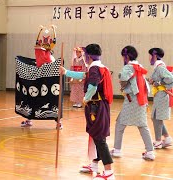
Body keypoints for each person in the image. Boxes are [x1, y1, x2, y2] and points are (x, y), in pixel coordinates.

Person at [60, 44, 115, 179]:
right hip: (97, 106)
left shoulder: (95, 68)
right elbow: (83, 75)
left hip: (96, 106)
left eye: (85, 54)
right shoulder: (97, 67)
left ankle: (109, 172)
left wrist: (86, 98)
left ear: (88, 56)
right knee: (95, 136)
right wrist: (66, 72)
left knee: (99, 138)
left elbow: (93, 86)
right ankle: (94, 165)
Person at [110, 46, 155, 160]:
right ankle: (150, 151)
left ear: (126, 56)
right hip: (141, 99)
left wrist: (122, 85)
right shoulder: (139, 66)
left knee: (120, 124)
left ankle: (117, 150)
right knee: (142, 125)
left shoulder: (128, 68)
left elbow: (123, 78)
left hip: (132, 100)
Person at [148, 48, 173, 149]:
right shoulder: (158, 67)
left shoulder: (160, 67)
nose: (149, 58)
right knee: (155, 117)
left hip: (161, 94)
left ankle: (158, 141)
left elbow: (170, 78)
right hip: (159, 94)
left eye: (150, 55)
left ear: (154, 56)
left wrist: (158, 83)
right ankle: (167, 138)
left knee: (156, 118)